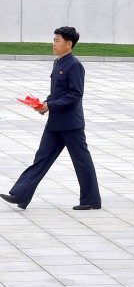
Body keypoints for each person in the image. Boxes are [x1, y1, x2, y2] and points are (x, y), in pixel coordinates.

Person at [2, 27, 102, 211]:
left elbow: (75, 95)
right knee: (41, 158)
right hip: (55, 122)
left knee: (81, 161)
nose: (54, 44)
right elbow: (58, 93)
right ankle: (21, 195)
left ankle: (91, 200)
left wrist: (50, 106)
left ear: (68, 44)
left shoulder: (74, 65)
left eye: (57, 40)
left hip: (71, 124)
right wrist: (44, 104)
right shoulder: (58, 63)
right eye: (54, 40)